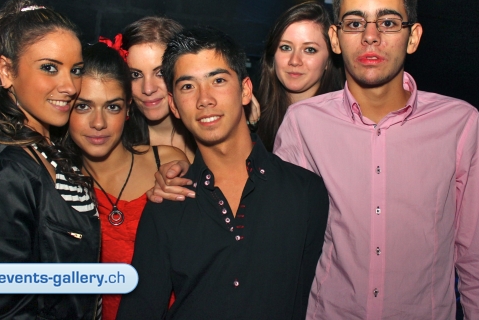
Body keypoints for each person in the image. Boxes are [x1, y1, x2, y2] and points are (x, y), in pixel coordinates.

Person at [152, 0, 479, 318]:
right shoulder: (303, 124)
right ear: (336, 39)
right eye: (355, 23)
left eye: (388, 22)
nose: (370, 37)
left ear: (413, 36)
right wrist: (183, 171)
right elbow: (266, 235)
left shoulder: (458, 125)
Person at [116, 27, 329, 319]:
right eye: (187, 86)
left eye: (217, 80)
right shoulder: (166, 206)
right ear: (174, 105)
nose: (204, 99)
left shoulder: (305, 192)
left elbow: (316, 301)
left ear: (245, 90)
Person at [0, 0, 100, 319]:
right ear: (6, 70)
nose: (69, 86)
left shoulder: (52, 150)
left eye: (76, 70)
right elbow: (11, 311)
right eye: (49, 68)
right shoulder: (4, 173)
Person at [63, 42, 188, 320]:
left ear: (128, 108)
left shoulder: (167, 162)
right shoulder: (60, 184)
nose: (98, 123)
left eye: (112, 106)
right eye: (83, 106)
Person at [99, 17, 196, 161]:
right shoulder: (111, 145)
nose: (148, 89)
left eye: (160, 73)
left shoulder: (212, 130)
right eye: (135, 75)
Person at [257, 1, 342, 150]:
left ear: (328, 60)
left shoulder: (343, 125)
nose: (294, 61)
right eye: (286, 47)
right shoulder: (252, 119)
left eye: (309, 50)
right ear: (273, 55)